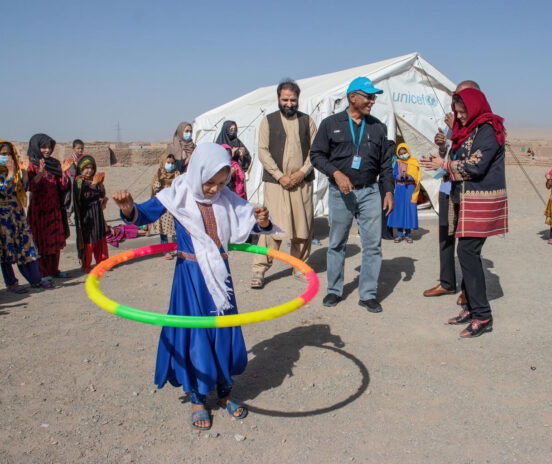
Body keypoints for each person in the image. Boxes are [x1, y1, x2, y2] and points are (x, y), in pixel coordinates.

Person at [112, 143, 277, 430]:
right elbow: (143, 215)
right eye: (209, 182)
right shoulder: (178, 193)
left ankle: (225, 392)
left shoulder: (227, 198)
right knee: (196, 333)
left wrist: (262, 220)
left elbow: (252, 219)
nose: (215, 189)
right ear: (197, 172)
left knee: (223, 330)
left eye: (221, 183)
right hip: (190, 276)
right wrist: (128, 209)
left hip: (219, 274)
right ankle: (198, 398)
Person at [420, 87, 508, 338]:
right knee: (467, 253)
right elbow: (459, 154)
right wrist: (440, 161)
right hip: (466, 198)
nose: (458, 117)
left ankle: (482, 314)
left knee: (467, 252)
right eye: (456, 112)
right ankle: (472, 308)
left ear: (474, 106)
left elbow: (477, 165)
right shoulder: (469, 130)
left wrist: (444, 164)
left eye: (462, 112)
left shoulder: (489, 129)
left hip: (481, 200)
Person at [310, 76, 394, 313]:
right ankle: (334, 290)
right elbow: (316, 155)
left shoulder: (378, 127)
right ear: (352, 97)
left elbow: (386, 164)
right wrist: (336, 173)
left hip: (369, 192)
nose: (372, 101)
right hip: (340, 193)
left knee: (373, 245)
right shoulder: (330, 124)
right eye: (368, 96)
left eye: (374, 97)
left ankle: (367, 294)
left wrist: (388, 190)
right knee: (337, 242)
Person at [251, 79, 317, 288]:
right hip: (276, 183)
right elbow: (262, 151)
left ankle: (299, 266)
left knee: (302, 226)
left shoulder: (307, 121)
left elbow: (315, 152)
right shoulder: (268, 121)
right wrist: (280, 175)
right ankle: (260, 269)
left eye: (293, 100)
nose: (289, 104)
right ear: (278, 99)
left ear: (298, 100)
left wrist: (301, 172)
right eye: (285, 99)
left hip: (301, 182)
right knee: (271, 226)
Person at [423, 80, 480, 306]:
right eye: (455, 95)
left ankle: (469, 289)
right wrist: (441, 144)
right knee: (445, 233)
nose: (456, 99)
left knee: (466, 239)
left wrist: (454, 131)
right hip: (447, 183)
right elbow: (449, 151)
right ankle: (447, 281)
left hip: (466, 188)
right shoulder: (454, 121)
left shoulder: (479, 123)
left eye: (461, 94)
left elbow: (472, 156)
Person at [0, 140, 52, 291]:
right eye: (3, 154)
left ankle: (35, 279)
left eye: (9, 154)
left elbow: (24, 188)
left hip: (17, 214)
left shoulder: (15, 170)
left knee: (26, 246)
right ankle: (11, 283)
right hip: (3, 218)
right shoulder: (8, 172)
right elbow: (4, 190)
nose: (7, 157)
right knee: (6, 250)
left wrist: (23, 173)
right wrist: (10, 173)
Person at [26, 133, 71, 280]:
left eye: (49, 147)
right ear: (36, 147)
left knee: (54, 242)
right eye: (43, 147)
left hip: (54, 209)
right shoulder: (31, 165)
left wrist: (63, 173)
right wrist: (40, 172)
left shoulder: (54, 163)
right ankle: (43, 273)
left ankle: (54, 270)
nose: (47, 150)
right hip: (40, 211)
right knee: (41, 242)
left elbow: (63, 186)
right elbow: (31, 186)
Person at [73, 155, 109, 271]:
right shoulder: (79, 181)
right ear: (81, 168)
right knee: (89, 238)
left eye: (92, 168)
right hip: (87, 215)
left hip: (97, 213)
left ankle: (102, 261)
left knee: (99, 235)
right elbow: (83, 196)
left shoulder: (95, 179)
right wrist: (93, 185)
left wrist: (101, 185)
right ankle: (87, 264)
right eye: (86, 168)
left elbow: (101, 195)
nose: (89, 170)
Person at [387, 143, 420, 243]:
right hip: (400, 188)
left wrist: (408, 176)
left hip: (410, 189)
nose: (403, 155)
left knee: (409, 210)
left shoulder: (414, 162)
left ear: (408, 152)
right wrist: (401, 176)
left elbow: (417, 176)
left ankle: (408, 234)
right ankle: (399, 234)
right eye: (401, 154)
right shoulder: (397, 162)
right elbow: (394, 174)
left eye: (404, 153)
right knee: (399, 210)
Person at [149, 153, 179, 259]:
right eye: (168, 163)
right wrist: (159, 178)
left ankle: (178, 248)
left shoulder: (177, 174)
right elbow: (155, 190)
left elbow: (181, 189)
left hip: (174, 205)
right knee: (163, 230)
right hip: (163, 206)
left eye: (172, 163)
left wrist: (176, 180)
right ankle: (165, 250)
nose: (170, 165)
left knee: (177, 228)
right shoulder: (159, 175)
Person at [64, 139, 84, 225]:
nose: (80, 150)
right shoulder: (71, 160)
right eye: (78, 148)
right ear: (73, 148)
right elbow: (72, 173)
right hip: (73, 183)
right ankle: (67, 216)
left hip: (81, 182)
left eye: (82, 148)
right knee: (72, 200)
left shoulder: (82, 158)